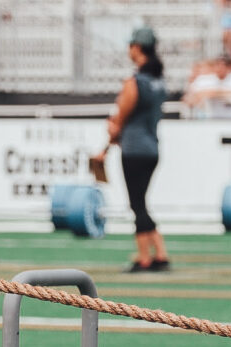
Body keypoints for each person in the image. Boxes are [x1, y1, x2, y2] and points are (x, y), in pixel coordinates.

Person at [92, 27, 170, 273]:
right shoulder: (158, 82)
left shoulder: (135, 83)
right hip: (151, 147)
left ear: (137, 48)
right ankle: (160, 253)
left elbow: (120, 121)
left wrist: (104, 148)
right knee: (141, 202)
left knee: (136, 204)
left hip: (134, 150)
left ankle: (144, 256)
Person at [183, 53, 231, 119]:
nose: (220, 68)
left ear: (230, 67)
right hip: (215, 121)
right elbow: (191, 98)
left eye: (223, 65)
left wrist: (209, 93)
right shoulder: (206, 79)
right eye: (217, 64)